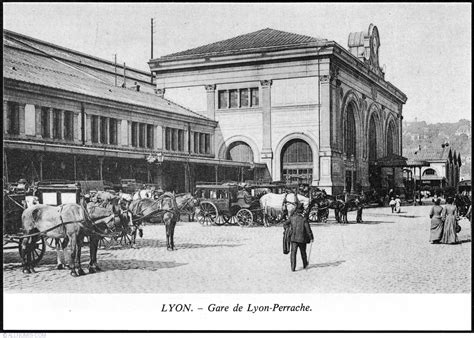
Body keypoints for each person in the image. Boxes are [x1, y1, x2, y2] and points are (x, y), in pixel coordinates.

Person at [283, 203, 314, 272]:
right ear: (302, 211)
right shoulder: (304, 219)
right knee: (303, 252)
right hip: (302, 238)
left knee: (293, 253)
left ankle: (293, 267)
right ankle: (305, 264)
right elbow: (308, 229)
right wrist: (311, 237)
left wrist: (288, 229)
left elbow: (285, 224)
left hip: (293, 238)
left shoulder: (292, 218)